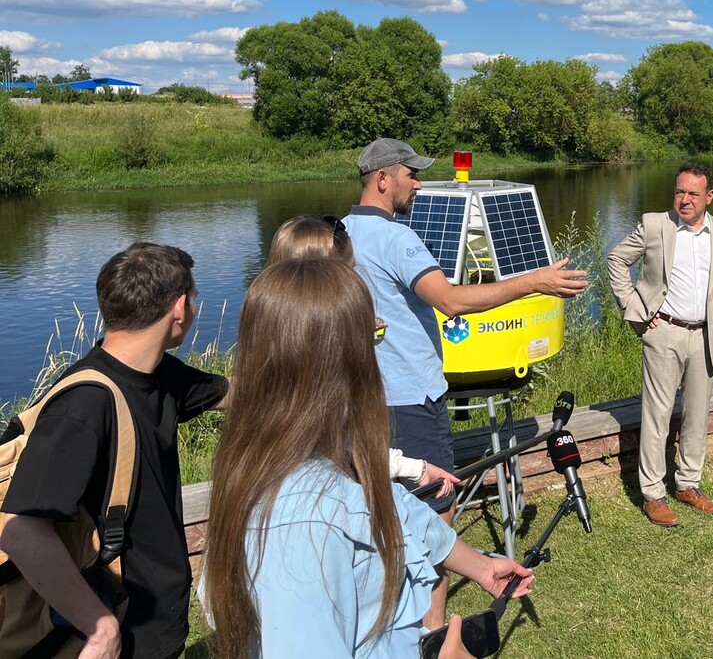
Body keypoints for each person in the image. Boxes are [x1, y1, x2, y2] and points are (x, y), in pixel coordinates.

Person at [202, 257, 532, 659]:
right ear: (341, 364)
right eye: (374, 335)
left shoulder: (314, 454)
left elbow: (398, 510)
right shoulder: (304, 526)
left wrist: (480, 566)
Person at [342, 138, 586, 626]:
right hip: (412, 399)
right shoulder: (397, 238)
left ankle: (382, 619)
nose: (418, 183)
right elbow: (450, 300)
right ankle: (431, 633)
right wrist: (530, 282)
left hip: (364, 398)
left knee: (379, 511)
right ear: (383, 178)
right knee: (437, 514)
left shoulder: (340, 234)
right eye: (411, 174)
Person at [1, 243, 230, 659]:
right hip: (122, 629)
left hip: (155, 621)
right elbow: (19, 529)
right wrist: (100, 626)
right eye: (195, 297)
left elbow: (233, 394)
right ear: (179, 308)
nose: (197, 306)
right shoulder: (84, 406)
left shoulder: (157, 372)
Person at [267, 215, 458, 499]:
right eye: (350, 272)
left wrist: (413, 468)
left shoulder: (275, 332)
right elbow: (338, 446)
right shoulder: (320, 361)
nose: (357, 284)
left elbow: (347, 443)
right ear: (324, 277)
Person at [606, 161, 713, 527]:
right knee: (657, 416)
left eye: (693, 193)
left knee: (698, 414)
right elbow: (616, 260)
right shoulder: (656, 225)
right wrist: (636, 309)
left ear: (709, 197)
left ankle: (688, 484)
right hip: (663, 332)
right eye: (680, 191)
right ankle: (653, 494)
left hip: (706, 336)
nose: (684, 200)